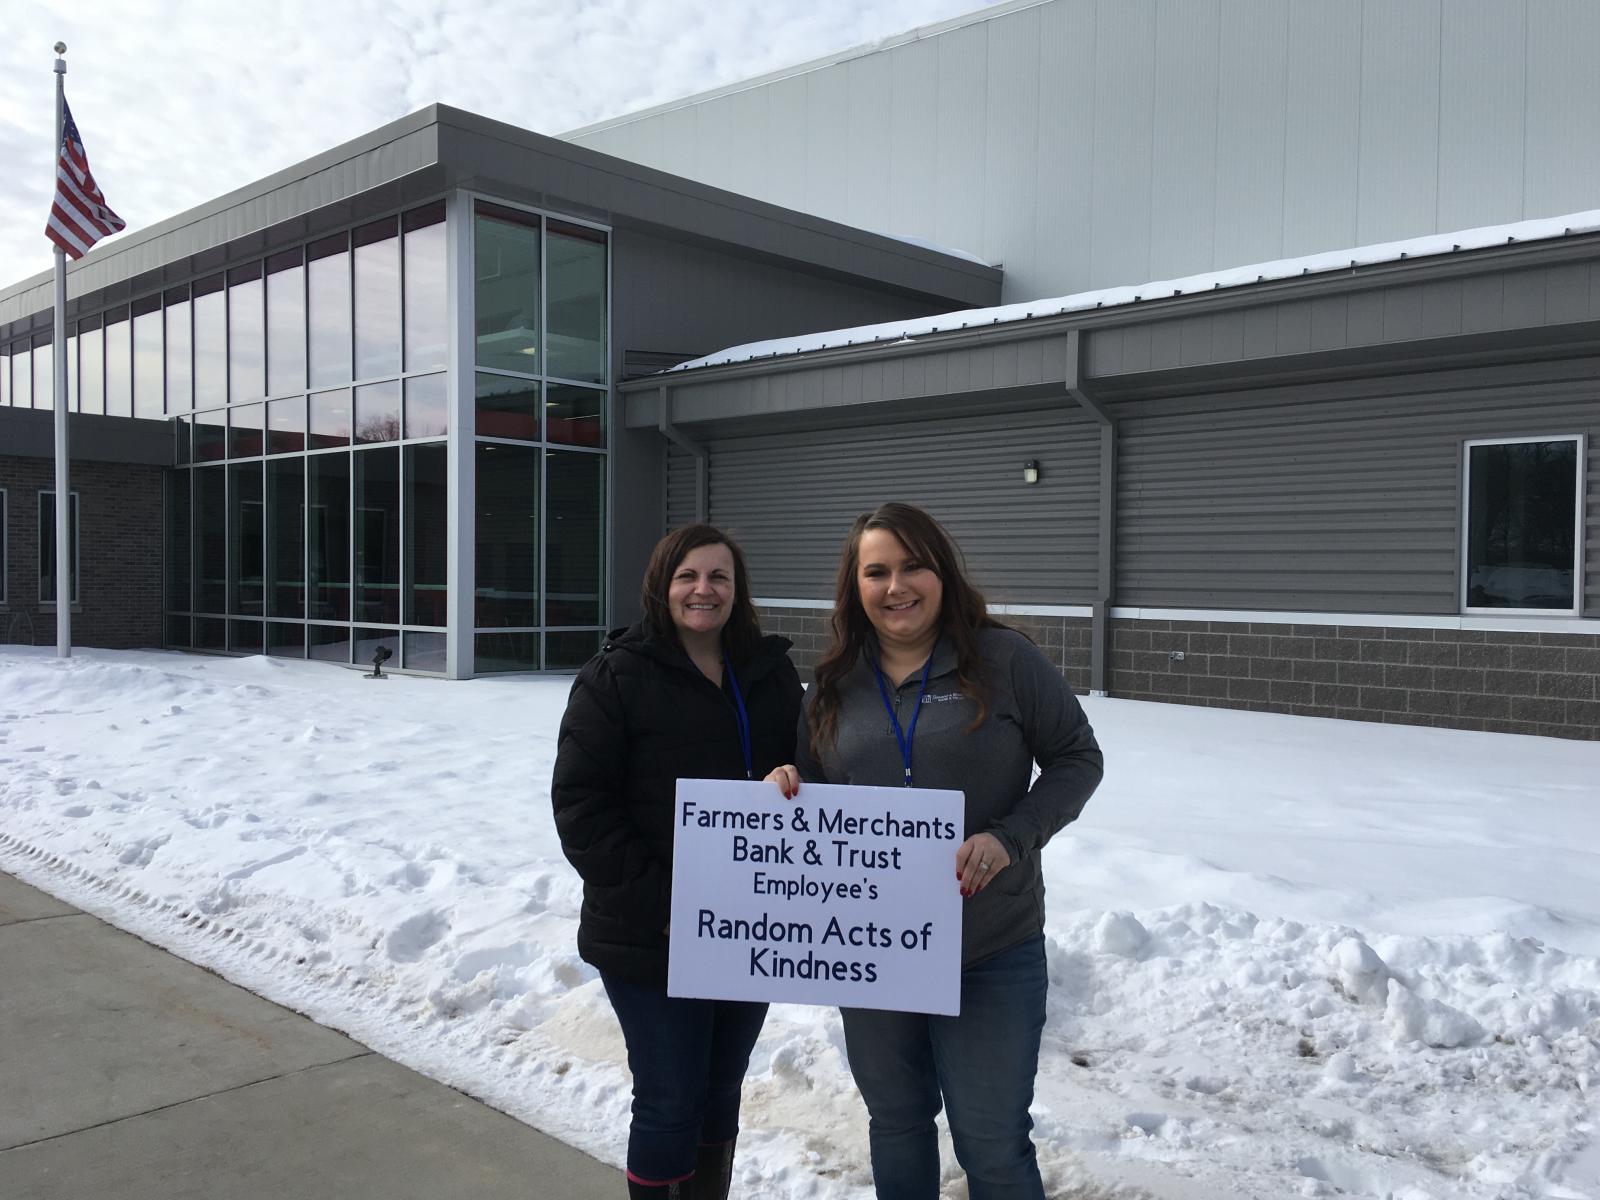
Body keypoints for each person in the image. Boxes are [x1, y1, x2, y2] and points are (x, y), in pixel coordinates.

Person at [764, 502, 1103, 1200]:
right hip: (874, 954)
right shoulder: (832, 685)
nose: (897, 586)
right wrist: (784, 791)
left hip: (990, 948)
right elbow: (816, 795)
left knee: (994, 1144)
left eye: (912, 566)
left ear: (941, 571)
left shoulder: (1004, 660)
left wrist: (1010, 838)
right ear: (855, 587)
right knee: (896, 1123)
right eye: (877, 571)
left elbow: (1077, 758)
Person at [552, 524, 804, 1200]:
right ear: (662, 586)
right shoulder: (614, 677)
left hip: (744, 925)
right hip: (650, 934)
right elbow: (582, 809)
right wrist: (668, 908)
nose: (704, 589)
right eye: (688, 575)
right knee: (670, 1099)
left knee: (720, 1089)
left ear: (737, 590)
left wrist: (793, 774)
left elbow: (811, 768)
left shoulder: (770, 673)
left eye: (719, 577)